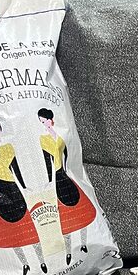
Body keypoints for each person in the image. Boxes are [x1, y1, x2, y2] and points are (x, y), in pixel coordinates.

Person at [0, 119, 46, 275]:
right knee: (12, 232)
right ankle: (25, 264)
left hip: (15, 191)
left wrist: (24, 187)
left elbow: (16, 170)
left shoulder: (7, 149)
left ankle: (42, 261)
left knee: (29, 227)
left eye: (0, 132)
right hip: (1, 193)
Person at [38, 108, 96, 265]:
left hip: (68, 177)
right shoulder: (44, 139)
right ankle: (69, 252)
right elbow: (47, 162)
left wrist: (72, 173)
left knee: (81, 212)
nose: (44, 124)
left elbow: (68, 157)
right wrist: (50, 182)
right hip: (57, 180)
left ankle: (84, 244)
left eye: (44, 120)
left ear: (50, 120)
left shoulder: (60, 136)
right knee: (66, 218)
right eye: (41, 122)